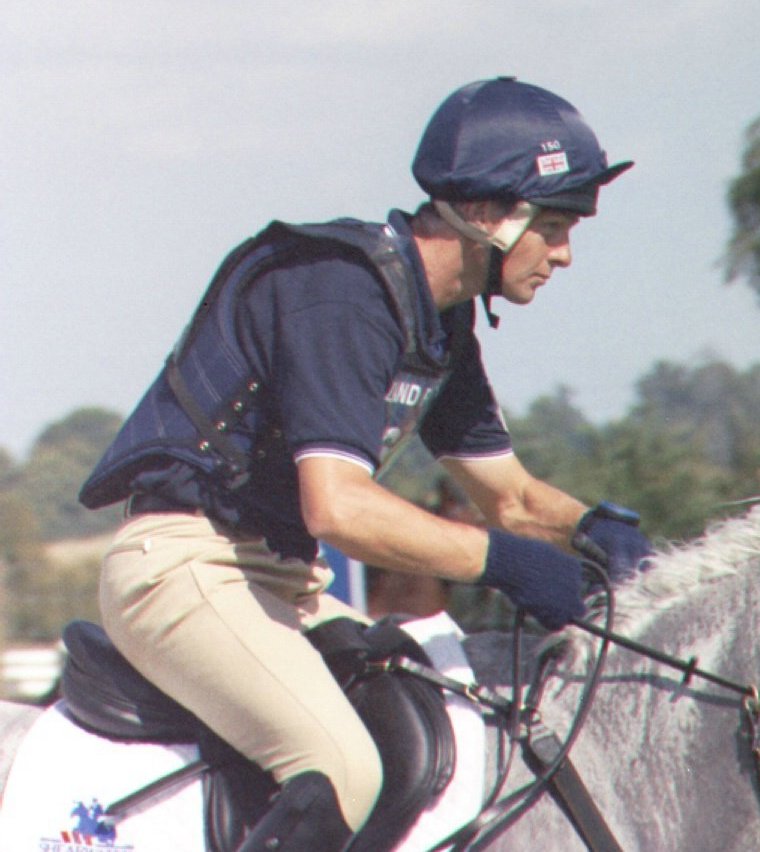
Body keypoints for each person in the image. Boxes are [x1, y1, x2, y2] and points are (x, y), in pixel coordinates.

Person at [79, 76, 651, 850]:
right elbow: (338, 508)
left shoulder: (441, 328)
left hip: (280, 584)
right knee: (342, 765)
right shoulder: (343, 295)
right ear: (487, 215)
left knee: (436, 719)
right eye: (553, 226)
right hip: (184, 568)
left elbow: (510, 498)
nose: (566, 255)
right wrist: (502, 564)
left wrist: (594, 532)